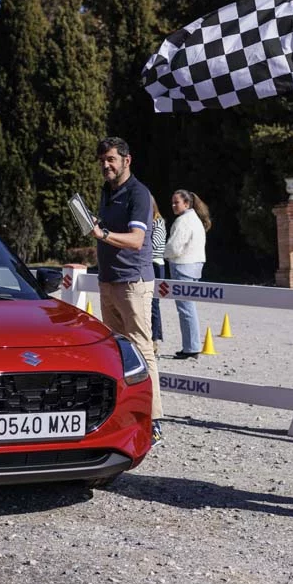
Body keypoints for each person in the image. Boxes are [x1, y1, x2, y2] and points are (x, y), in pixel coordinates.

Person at [89, 137, 163, 445]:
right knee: (117, 352)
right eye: (102, 160)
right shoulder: (108, 191)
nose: (106, 165)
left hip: (133, 282)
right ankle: (123, 414)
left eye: (111, 159)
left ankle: (154, 420)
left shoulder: (138, 193)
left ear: (126, 160)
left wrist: (102, 233)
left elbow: (135, 240)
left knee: (143, 351)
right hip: (108, 280)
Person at [165, 190, 211, 359]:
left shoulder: (182, 221)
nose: (173, 205)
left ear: (187, 203)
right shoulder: (196, 220)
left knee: (185, 308)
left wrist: (162, 253)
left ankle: (191, 347)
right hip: (195, 266)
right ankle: (191, 345)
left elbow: (174, 248)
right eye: (172, 202)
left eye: (176, 202)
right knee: (188, 307)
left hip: (182, 266)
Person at [149, 196, 166, 356]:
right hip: (148, 264)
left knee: (154, 304)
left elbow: (154, 245)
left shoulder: (158, 223)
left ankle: (154, 338)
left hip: (155, 264)